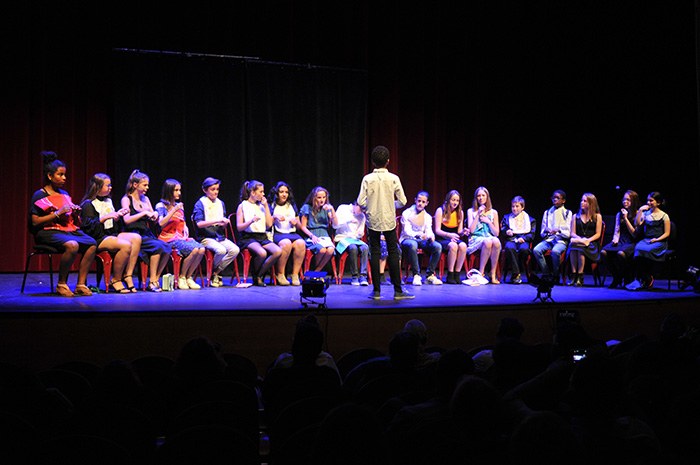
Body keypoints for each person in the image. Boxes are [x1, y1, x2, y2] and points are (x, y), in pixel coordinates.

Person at [29, 151, 97, 296]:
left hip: (66, 230)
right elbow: (34, 222)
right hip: (47, 232)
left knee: (91, 244)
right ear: (50, 176)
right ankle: (61, 284)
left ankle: (81, 284)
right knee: (72, 245)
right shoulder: (39, 194)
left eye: (64, 175)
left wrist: (75, 213)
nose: (64, 178)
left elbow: (72, 220)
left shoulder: (64, 194)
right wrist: (57, 213)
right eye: (60, 175)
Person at [357, 145, 414, 300]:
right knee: (393, 252)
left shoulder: (367, 178)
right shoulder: (394, 178)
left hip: (373, 219)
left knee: (374, 252)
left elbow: (360, 201)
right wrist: (390, 204)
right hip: (389, 219)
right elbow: (403, 201)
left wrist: (371, 205)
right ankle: (398, 290)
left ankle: (376, 291)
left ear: (373, 162)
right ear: (388, 161)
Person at [80, 173, 142, 293]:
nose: (110, 187)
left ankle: (128, 275)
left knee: (136, 238)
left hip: (109, 234)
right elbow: (88, 227)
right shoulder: (88, 204)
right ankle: (116, 279)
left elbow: (113, 226)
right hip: (97, 237)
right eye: (107, 185)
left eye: (110, 185)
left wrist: (118, 216)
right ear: (97, 187)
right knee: (125, 245)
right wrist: (105, 218)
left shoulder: (108, 201)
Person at [121, 169, 172, 292]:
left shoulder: (146, 199)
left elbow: (152, 216)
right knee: (157, 247)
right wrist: (143, 213)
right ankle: (152, 281)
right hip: (132, 234)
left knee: (167, 248)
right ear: (135, 185)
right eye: (144, 185)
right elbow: (126, 220)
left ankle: (155, 279)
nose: (147, 188)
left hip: (145, 233)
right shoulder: (127, 199)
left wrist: (155, 215)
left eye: (147, 185)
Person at [156, 179, 206, 290]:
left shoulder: (179, 205)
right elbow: (161, 223)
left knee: (201, 249)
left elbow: (182, 221)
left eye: (179, 190)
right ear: (169, 191)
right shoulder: (161, 206)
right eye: (176, 190)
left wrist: (185, 229)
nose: (179, 193)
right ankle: (182, 277)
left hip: (180, 237)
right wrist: (173, 210)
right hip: (167, 238)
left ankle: (189, 277)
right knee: (194, 250)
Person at [192, 177, 240, 288]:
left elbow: (222, 224)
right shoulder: (200, 203)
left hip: (219, 236)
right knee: (221, 250)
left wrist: (224, 223)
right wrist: (217, 221)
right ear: (205, 190)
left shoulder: (220, 203)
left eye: (217, 189)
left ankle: (215, 272)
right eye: (212, 189)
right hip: (205, 237)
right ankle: (213, 272)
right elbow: (199, 224)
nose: (216, 192)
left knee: (235, 250)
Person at [236, 180, 281, 286]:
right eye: (260, 192)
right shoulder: (243, 205)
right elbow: (239, 227)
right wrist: (251, 221)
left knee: (278, 251)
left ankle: (259, 275)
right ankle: (256, 276)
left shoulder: (262, 206)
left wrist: (266, 207)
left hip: (262, 236)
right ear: (252, 192)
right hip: (248, 237)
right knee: (262, 253)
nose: (263, 194)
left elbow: (269, 224)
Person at [626, 191, 671, 291]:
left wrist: (657, 239)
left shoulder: (664, 216)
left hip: (659, 241)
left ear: (658, 202)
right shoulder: (646, 214)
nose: (648, 203)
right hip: (647, 240)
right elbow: (637, 223)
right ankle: (641, 278)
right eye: (648, 200)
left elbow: (667, 233)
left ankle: (648, 276)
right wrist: (640, 211)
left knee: (646, 250)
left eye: (651, 201)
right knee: (638, 249)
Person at [400, 191, 443, 286]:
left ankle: (430, 275)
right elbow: (407, 231)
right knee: (413, 244)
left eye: (423, 202)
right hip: (407, 239)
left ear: (427, 203)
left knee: (437, 246)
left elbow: (428, 230)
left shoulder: (427, 217)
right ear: (415, 200)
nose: (420, 203)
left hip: (422, 240)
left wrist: (431, 235)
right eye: (419, 201)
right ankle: (416, 275)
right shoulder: (407, 213)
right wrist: (419, 234)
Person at [268, 181, 306, 286]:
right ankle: (280, 274)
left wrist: (296, 222)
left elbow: (299, 226)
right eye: (281, 192)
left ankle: (295, 274)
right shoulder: (271, 205)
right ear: (277, 193)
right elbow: (267, 225)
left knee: (301, 243)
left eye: (286, 192)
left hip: (292, 233)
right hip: (278, 233)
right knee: (286, 243)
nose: (284, 194)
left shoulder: (291, 205)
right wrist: (274, 217)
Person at [601, 190, 640, 289]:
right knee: (603, 252)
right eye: (624, 199)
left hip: (632, 241)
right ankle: (616, 277)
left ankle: (627, 277)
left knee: (621, 254)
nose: (625, 201)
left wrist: (626, 218)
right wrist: (615, 239)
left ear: (634, 201)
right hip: (621, 240)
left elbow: (634, 234)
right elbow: (617, 230)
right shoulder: (619, 214)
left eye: (628, 200)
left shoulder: (638, 214)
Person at [532, 189, 572, 284]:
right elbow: (542, 232)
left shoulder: (567, 213)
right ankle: (546, 273)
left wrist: (559, 230)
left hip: (561, 241)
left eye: (557, 198)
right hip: (549, 240)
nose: (555, 200)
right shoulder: (547, 212)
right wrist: (547, 231)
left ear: (563, 200)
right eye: (553, 198)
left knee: (555, 251)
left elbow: (568, 233)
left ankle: (556, 275)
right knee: (536, 250)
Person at [466, 186, 501, 284]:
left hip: (489, 236)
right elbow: (471, 230)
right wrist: (478, 214)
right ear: (476, 198)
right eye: (479, 196)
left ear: (487, 197)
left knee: (496, 241)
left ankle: (492, 273)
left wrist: (488, 222)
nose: (481, 198)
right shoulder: (471, 211)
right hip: (476, 238)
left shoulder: (493, 212)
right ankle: (481, 273)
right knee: (487, 242)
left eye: (483, 195)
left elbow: (496, 233)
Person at [567, 193, 603, 287]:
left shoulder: (597, 216)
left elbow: (598, 234)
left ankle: (580, 276)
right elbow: (572, 233)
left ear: (591, 203)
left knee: (580, 249)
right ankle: (573, 275)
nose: (582, 202)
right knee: (573, 246)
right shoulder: (576, 216)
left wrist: (587, 240)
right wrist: (581, 240)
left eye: (585, 201)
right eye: (581, 200)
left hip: (592, 244)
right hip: (579, 241)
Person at [299, 186, 337, 273]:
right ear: (314, 198)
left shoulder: (326, 209)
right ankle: (316, 272)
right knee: (322, 250)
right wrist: (312, 236)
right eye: (319, 197)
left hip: (324, 234)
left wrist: (332, 209)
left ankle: (316, 272)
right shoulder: (307, 208)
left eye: (324, 197)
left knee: (330, 250)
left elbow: (335, 224)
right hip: (312, 234)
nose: (322, 200)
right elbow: (303, 226)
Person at [434, 190, 468, 284]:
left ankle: (457, 273)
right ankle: (450, 273)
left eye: (457, 200)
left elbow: (459, 232)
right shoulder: (440, 210)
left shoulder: (460, 212)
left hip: (453, 238)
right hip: (442, 238)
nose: (455, 203)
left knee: (463, 246)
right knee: (453, 246)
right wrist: (449, 235)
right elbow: (437, 230)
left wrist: (463, 231)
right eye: (453, 200)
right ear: (448, 200)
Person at [500, 196, 536, 284]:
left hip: (523, 240)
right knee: (509, 248)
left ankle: (515, 273)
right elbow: (503, 229)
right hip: (511, 239)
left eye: (517, 206)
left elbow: (532, 234)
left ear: (522, 207)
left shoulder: (530, 219)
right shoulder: (507, 217)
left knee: (524, 249)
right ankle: (516, 274)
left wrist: (524, 238)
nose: (514, 208)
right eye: (513, 206)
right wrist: (506, 231)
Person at [334, 201, 369, 285]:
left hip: (354, 239)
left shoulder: (362, 216)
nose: (361, 212)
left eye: (363, 210)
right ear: (356, 204)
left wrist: (359, 233)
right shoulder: (342, 208)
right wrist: (348, 220)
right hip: (341, 239)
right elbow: (335, 225)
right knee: (353, 247)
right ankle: (354, 276)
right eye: (361, 209)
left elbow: (360, 233)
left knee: (365, 248)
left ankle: (363, 276)